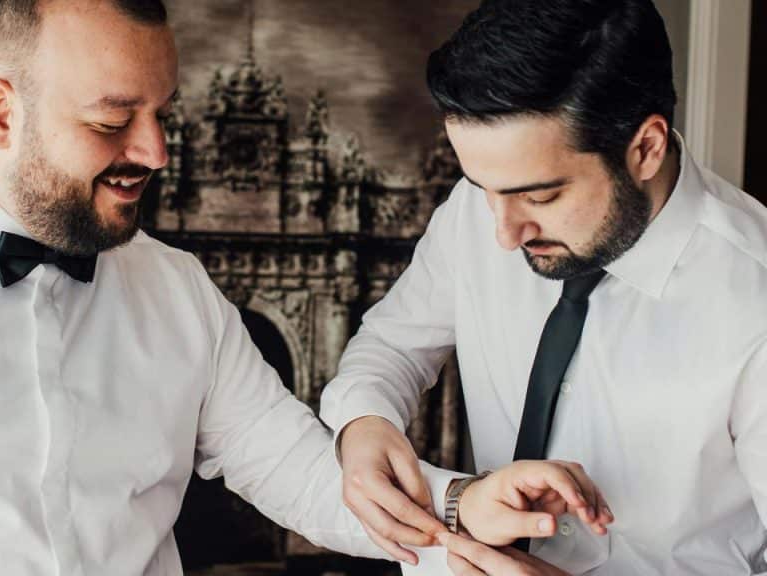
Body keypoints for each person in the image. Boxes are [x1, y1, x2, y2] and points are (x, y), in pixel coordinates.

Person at [0, 1, 612, 574]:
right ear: (1, 113)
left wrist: (462, 503)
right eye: (113, 121)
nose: (155, 152)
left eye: (161, 114)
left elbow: (306, 475)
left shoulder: (179, 292)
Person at [323, 0, 767, 574]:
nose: (504, 234)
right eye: (481, 186)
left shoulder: (755, 300)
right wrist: (363, 423)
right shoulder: (481, 209)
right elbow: (391, 345)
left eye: (540, 196)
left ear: (645, 149)